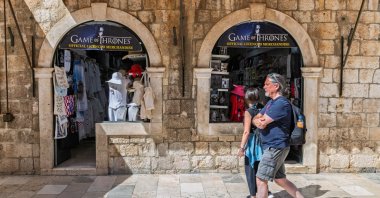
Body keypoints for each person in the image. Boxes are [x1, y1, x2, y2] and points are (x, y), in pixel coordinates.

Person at [252, 73, 304, 198]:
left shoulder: (281, 104)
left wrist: (260, 121)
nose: (264, 87)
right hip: (274, 146)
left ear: (275, 86)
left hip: (275, 147)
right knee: (280, 180)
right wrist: (258, 121)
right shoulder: (271, 103)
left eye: (267, 84)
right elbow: (256, 119)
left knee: (260, 179)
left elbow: (262, 122)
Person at [238, 88, 273, 198]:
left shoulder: (248, 112)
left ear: (247, 98)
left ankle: (253, 195)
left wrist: (241, 148)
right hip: (264, 142)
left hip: (253, 144)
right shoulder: (263, 109)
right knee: (261, 170)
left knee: (250, 170)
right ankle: (265, 193)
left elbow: (247, 132)